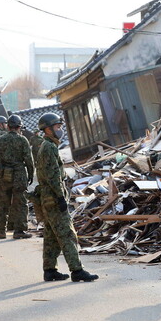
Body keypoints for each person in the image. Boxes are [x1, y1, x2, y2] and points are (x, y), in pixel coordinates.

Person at [36, 113, 98, 282]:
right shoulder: (48, 147)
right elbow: (53, 176)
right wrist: (60, 197)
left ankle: (49, 270)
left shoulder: (47, 146)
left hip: (47, 199)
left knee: (51, 236)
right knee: (67, 235)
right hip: (54, 199)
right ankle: (77, 270)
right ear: (48, 130)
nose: (60, 130)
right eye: (57, 127)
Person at [0, 115, 34, 239]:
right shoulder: (23, 140)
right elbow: (29, 160)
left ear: (8, 126)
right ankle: (19, 231)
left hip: (4, 174)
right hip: (19, 174)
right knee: (20, 203)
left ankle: (1, 231)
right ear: (19, 127)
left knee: (2, 202)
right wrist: (30, 174)